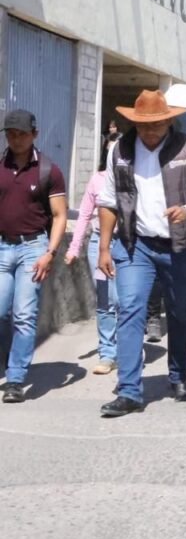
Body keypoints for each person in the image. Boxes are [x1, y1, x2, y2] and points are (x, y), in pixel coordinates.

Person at [96, 90, 186, 416]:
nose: (150, 131)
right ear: (134, 122)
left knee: (180, 313)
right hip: (135, 245)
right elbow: (108, 201)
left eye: (156, 124)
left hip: (180, 246)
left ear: (168, 121)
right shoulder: (120, 149)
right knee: (130, 309)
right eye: (143, 124)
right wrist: (104, 247)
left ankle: (179, 376)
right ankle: (129, 391)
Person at [0, 109, 69, 403]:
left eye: (22, 134)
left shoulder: (48, 170)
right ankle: (8, 360)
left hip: (34, 249)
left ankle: (15, 379)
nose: (16, 139)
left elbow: (60, 215)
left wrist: (50, 253)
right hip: (2, 247)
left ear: (34, 134)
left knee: (24, 315)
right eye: (10, 134)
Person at [66, 132, 122, 375]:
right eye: (110, 150)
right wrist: (74, 248)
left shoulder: (135, 178)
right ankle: (107, 353)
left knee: (123, 300)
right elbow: (84, 217)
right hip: (99, 244)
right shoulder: (97, 180)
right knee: (105, 300)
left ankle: (129, 348)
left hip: (128, 244)